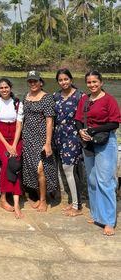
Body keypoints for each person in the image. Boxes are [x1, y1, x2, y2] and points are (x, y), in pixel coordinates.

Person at [75, 71, 120, 236]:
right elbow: (78, 119)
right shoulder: (84, 100)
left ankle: (108, 220)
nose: (92, 85)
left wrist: (94, 130)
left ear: (101, 82)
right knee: (92, 180)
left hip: (105, 142)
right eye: (89, 82)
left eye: (95, 82)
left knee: (105, 181)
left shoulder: (109, 100)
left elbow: (115, 123)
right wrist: (81, 132)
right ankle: (96, 214)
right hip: (88, 142)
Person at [22, 70, 58, 212]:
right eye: (30, 81)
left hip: (41, 137)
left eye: (35, 81)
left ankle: (44, 200)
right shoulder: (26, 97)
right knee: (31, 168)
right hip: (28, 137)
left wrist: (48, 142)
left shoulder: (47, 98)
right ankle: (38, 196)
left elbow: (50, 122)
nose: (33, 83)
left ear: (40, 82)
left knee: (40, 169)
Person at [53, 68, 84, 217]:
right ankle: (73, 202)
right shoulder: (56, 96)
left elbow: (86, 116)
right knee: (68, 169)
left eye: (66, 79)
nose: (63, 82)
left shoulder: (80, 96)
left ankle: (77, 206)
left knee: (68, 168)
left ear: (71, 80)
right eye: (60, 80)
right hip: (58, 136)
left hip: (73, 136)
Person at [0, 78, 24, 218]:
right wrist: (7, 145)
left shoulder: (17, 103)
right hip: (1, 138)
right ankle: (3, 197)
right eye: (1, 88)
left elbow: (19, 126)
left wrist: (13, 145)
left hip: (15, 138)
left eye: (6, 87)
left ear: (10, 88)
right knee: (6, 162)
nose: (4, 90)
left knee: (15, 163)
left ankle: (16, 202)